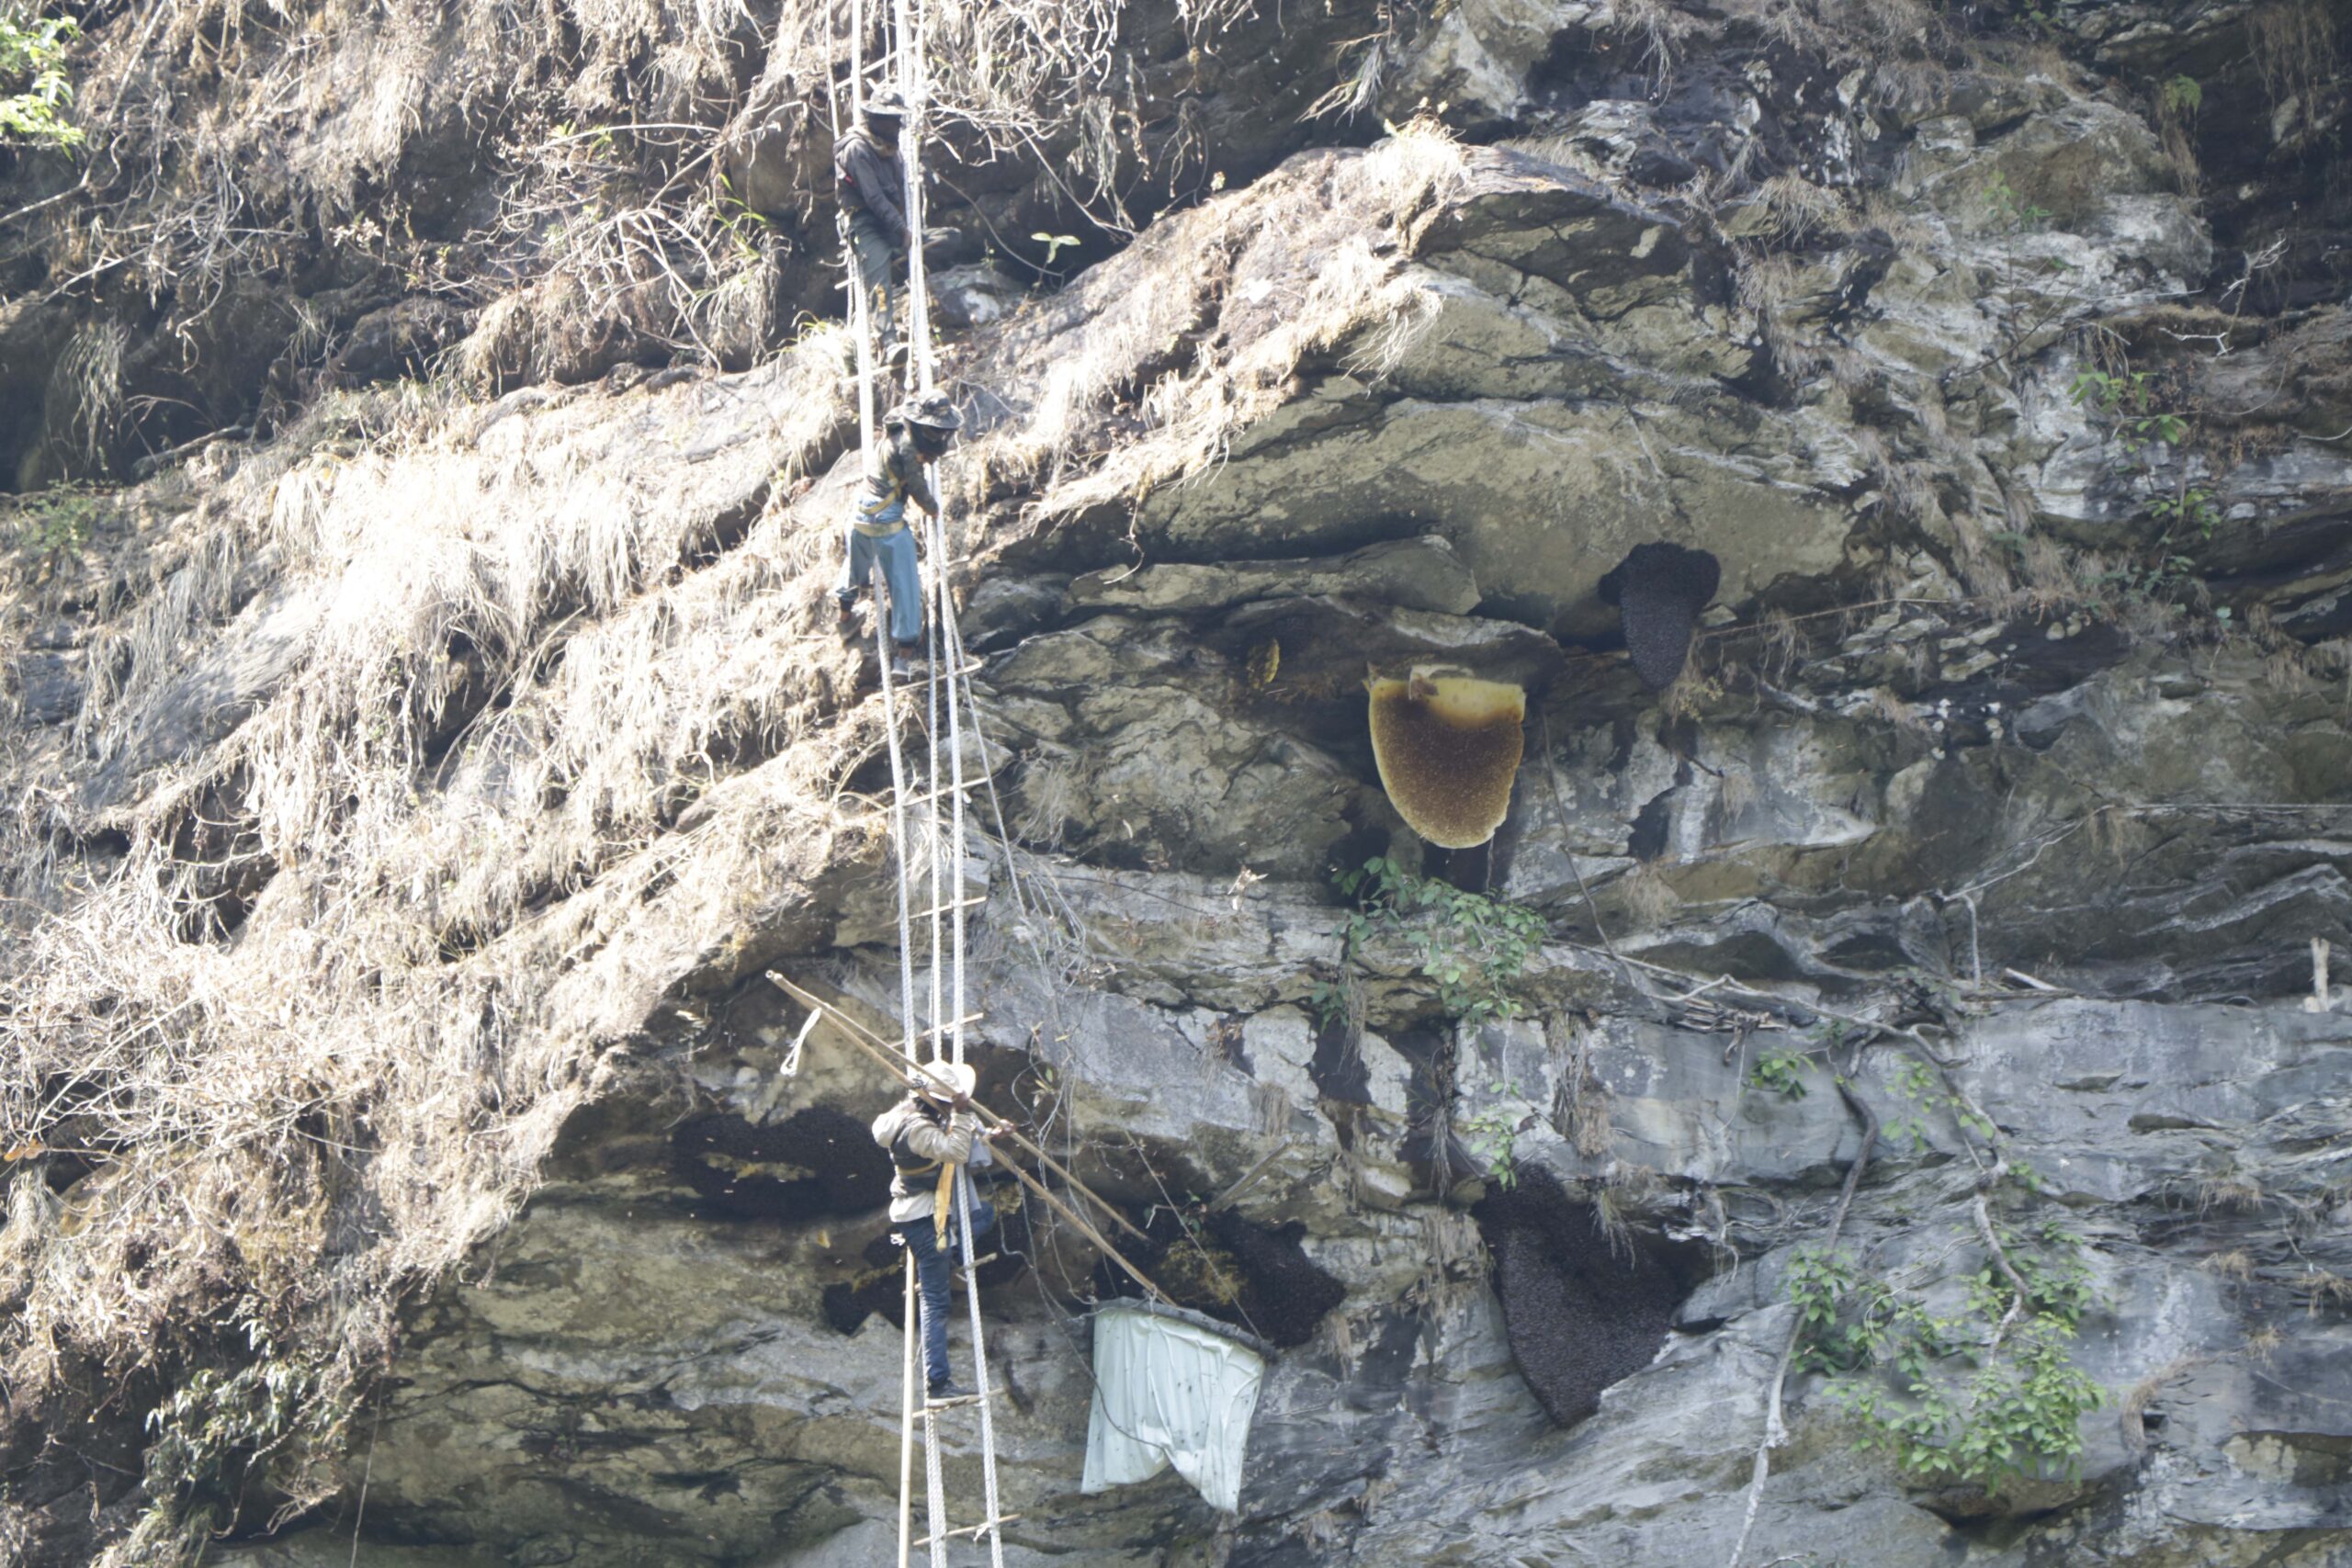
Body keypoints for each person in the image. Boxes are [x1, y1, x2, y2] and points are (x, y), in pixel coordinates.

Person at [871, 1060, 1000, 1402]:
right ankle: (938, 1383)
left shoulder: (907, 1114)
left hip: (929, 1212)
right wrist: (960, 1113)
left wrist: (987, 1134)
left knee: (984, 1214)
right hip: (923, 1219)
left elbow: (955, 1133)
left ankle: (952, 1253)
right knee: (936, 1303)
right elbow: (955, 1151)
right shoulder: (916, 1129)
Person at [837, 392, 961, 680]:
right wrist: (932, 508)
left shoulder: (896, 423)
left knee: (855, 563)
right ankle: (903, 657)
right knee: (905, 582)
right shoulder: (907, 450)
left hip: (860, 514)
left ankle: (844, 615)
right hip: (886, 523)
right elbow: (917, 488)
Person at [834, 89, 913, 365]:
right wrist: (902, 229)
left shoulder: (891, 149)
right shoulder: (857, 148)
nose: (896, 126)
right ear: (875, 119)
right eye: (890, 120)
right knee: (879, 277)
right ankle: (888, 342)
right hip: (866, 223)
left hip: (892, 223)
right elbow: (874, 197)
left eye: (897, 120)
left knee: (948, 239)